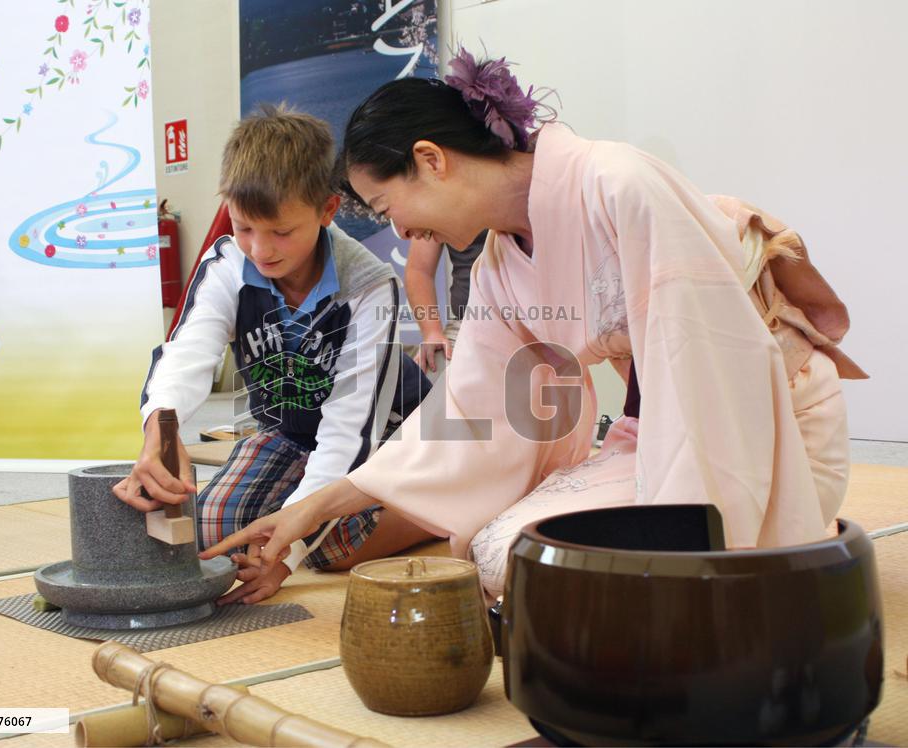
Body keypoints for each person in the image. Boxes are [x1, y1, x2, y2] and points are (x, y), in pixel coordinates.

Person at [199, 50, 866, 598]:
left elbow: (711, 373)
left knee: (589, 575)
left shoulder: (617, 184)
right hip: (658, 432)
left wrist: (685, 546)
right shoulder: (498, 262)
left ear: (431, 160)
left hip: (758, 428)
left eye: (388, 206)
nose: (400, 231)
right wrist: (308, 512)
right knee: (502, 554)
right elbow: (476, 413)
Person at [114, 105, 433, 603]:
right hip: (289, 431)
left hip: (388, 436)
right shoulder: (227, 264)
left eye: (281, 232)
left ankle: (428, 509)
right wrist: (162, 433)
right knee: (218, 527)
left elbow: (351, 430)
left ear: (327, 210)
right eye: (244, 228)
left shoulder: (371, 286)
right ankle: (313, 513)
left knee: (327, 547)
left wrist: (291, 550)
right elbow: (186, 353)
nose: (260, 249)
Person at [405, 231, 485, 376]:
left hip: (529, 321)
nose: (402, 232)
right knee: (431, 385)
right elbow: (419, 269)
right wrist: (432, 332)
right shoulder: (433, 211)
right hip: (466, 323)